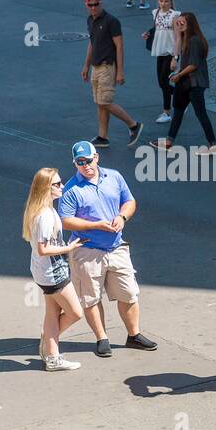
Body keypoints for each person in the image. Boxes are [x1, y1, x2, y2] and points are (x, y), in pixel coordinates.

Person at [58, 141, 157, 359]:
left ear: (97, 157)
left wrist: (122, 217)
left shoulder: (114, 177)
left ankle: (134, 335)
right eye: (80, 162)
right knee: (91, 298)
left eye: (89, 160)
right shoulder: (71, 189)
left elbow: (129, 201)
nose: (86, 165)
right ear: (75, 164)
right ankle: (102, 338)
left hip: (116, 247)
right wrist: (95, 225)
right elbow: (65, 221)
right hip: (86, 250)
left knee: (129, 293)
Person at [22, 168, 85, 372]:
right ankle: (50, 343)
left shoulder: (42, 210)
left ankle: (51, 353)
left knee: (52, 312)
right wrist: (69, 247)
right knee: (75, 313)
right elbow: (43, 249)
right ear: (45, 188)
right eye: (57, 184)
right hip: (52, 273)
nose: (62, 186)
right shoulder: (45, 216)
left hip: (45, 271)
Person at [82, 0, 142, 149]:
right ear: (86, 5)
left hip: (107, 66)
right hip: (96, 67)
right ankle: (103, 137)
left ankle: (133, 125)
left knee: (105, 102)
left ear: (101, 3)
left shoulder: (111, 21)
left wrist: (120, 71)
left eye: (96, 4)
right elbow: (92, 43)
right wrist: (86, 65)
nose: (94, 7)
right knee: (100, 103)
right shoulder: (90, 20)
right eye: (91, 4)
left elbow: (120, 46)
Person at [152, 12, 216, 151]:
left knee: (200, 113)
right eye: (178, 23)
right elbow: (178, 50)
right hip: (185, 82)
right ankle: (169, 141)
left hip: (194, 83)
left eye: (182, 23)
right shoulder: (185, 38)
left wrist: (179, 75)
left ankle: (213, 144)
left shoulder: (194, 40)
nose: (179, 25)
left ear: (190, 24)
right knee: (179, 111)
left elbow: (193, 64)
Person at [142, 0, 178, 123]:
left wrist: (175, 57)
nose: (163, 4)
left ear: (171, 2)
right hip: (159, 50)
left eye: (166, 1)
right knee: (161, 82)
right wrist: (148, 33)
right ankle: (182, 97)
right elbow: (157, 28)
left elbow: (178, 37)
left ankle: (166, 112)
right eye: (161, 1)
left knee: (164, 81)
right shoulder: (156, 12)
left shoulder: (174, 15)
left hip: (170, 51)